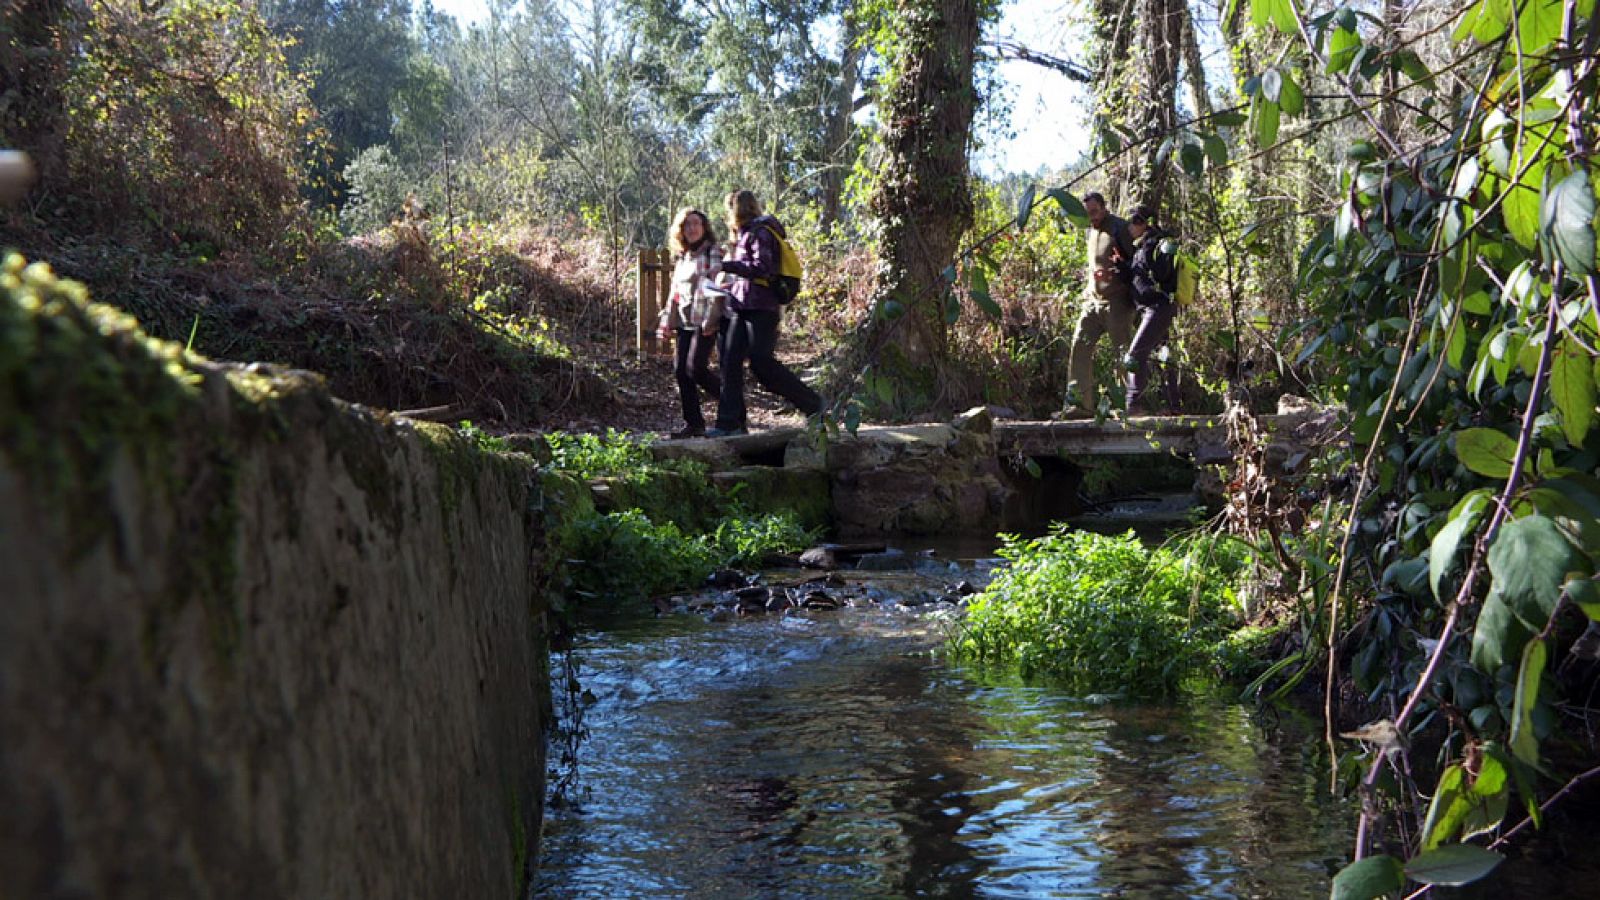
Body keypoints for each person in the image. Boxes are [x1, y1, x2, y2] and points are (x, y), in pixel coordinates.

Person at [706, 190, 822, 437]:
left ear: (735, 208)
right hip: (740, 306)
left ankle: (814, 405)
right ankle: (730, 423)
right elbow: (749, 274)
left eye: (729, 209)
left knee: (762, 363)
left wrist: (725, 265)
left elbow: (762, 268)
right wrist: (729, 284)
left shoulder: (760, 232)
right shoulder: (747, 233)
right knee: (729, 363)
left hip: (761, 308)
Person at [1062, 192, 1137, 418]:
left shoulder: (1120, 228)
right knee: (1079, 347)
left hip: (1118, 302)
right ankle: (1079, 406)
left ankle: (1129, 406)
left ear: (1104, 208)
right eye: (1087, 214)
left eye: (1094, 212)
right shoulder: (1090, 231)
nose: (1091, 217)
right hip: (1093, 301)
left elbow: (1134, 264)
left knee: (1123, 355)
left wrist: (1113, 272)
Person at [658, 207, 727, 438]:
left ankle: (733, 407)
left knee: (695, 369)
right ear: (681, 230)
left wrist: (712, 319)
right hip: (685, 322)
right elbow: (675, 293)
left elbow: (718, 287)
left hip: (705, 320)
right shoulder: (683, 258)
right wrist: (667, 321)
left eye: (696, 223)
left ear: (704, 227)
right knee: (680, 371)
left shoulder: (713, 253)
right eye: (687, 225)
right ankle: (694, 424)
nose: (692, 228)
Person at [1122, 206, 1179, 414]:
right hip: (1149, 309)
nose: (1129, 227)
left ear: (1143, 223)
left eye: (1132, 223)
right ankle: (1173, 406)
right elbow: (1139, 277)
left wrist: (1150, 248)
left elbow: (1164, 274)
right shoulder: (1142, 246)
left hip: (1158, 307)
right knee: (1162, 355)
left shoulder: (1158, 244)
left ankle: (1133, 405)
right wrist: (1122, 266)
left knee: (1135, 355)